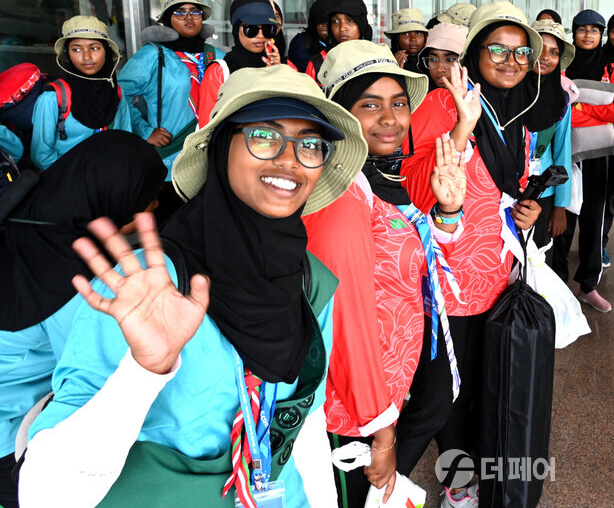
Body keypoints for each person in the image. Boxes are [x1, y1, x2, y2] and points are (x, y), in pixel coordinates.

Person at [18, 65, 367, 508]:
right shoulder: (149, 282)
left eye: (311, 144)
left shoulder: (309, 281)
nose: (290, 159)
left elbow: (306, 425)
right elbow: (44, 493)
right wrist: (144, 372)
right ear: (221, 147)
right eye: (264, 135)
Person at [395, 2, 562, 507]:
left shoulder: (517, 115)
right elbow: (416, 188)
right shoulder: (445, 105)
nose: (511, 60)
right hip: (447, 280)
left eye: (521, 52)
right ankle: (380, 486)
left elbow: (502, 194)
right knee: (434, 398)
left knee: (467, 393)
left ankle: (461, 484)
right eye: (497, 49)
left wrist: (525, 213)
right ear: (474, 53)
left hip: (492, 275)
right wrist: (462, 127)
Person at [306, 40, 475, 508]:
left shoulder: (378, 174)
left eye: (399, 104)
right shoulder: (338, 201)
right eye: (370, 105)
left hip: (392, 372)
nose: (391, 118)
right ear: (338, 115)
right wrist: (381, 433)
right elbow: (347, 322)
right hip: (353, 405)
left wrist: (446, 211)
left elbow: (414, 247)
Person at [0, 131, 165, 508]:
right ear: (114, 204)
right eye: (146, 199)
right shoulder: (76, 283)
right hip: (10, 436)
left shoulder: (34, 210)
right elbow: (96, 375)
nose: (154, 206)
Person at [117, 0, 224, 218]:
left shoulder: (216, 55)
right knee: (172, 223)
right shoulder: (153, 55)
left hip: (210, 156)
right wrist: (144, 131)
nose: (189, 18)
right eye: (179, 12)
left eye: (194, 12)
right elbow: (120, 93)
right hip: (171, 158)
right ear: (167, 19)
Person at [551, 9, 614, 312]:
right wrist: (591, 111)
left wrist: (579, 111)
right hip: (565, 150)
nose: (588, 36)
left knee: (594, 219)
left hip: (599, 154)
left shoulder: (612, 67)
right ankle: (557, 282)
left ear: (601, 34)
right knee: (561, 219)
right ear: (574, 33)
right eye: (582, 30)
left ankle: (588, 285)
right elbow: (557, 109)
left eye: (594, 30)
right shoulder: (563, 64)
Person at [30, 16, 133, 169]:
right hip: (70, 184)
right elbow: (41, 156)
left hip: (111, 181)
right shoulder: (53, 98)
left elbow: (126, 140)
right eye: (76, 49)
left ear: (106, 50)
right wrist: (82, 179)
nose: (86, 57)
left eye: (95, 48)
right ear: (68, 54)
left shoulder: (116, 93)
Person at [195, 0, 284, 127]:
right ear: (237, 29)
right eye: (251, 29)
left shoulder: (278, 67)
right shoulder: (219, 71)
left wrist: (278, 73)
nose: (260, 36)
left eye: (267, 29)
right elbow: (207, 126)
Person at [530, 19, 575, 259]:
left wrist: (560, 206)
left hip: (543, 194)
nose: (545, 57)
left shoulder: (561, 100)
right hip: (506, 192)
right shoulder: (509, 92)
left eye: (554, 52)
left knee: (536, 259)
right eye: (540, 48)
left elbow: (562, 153)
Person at [305, 0, 372, 81]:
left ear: (361, 23)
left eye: (349, 20)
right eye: (335, 21)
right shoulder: (319, 64)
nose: (342, 28)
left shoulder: (377, 59)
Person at [419, 22, 469, 92]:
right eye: (433, 59)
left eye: (450, 59)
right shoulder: (417, 95)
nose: (439, 69)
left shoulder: (479, 98)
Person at [288, 0, 330, 72]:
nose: (324, 27)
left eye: (328, 23)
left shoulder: (337, 41)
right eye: (319, 22)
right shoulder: (300, 42)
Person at [385, 8, 429, 72]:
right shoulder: (385, 62)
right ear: (396, 38)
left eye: (418, 33)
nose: (413, 39)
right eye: (406, 34)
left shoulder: (432, 61)